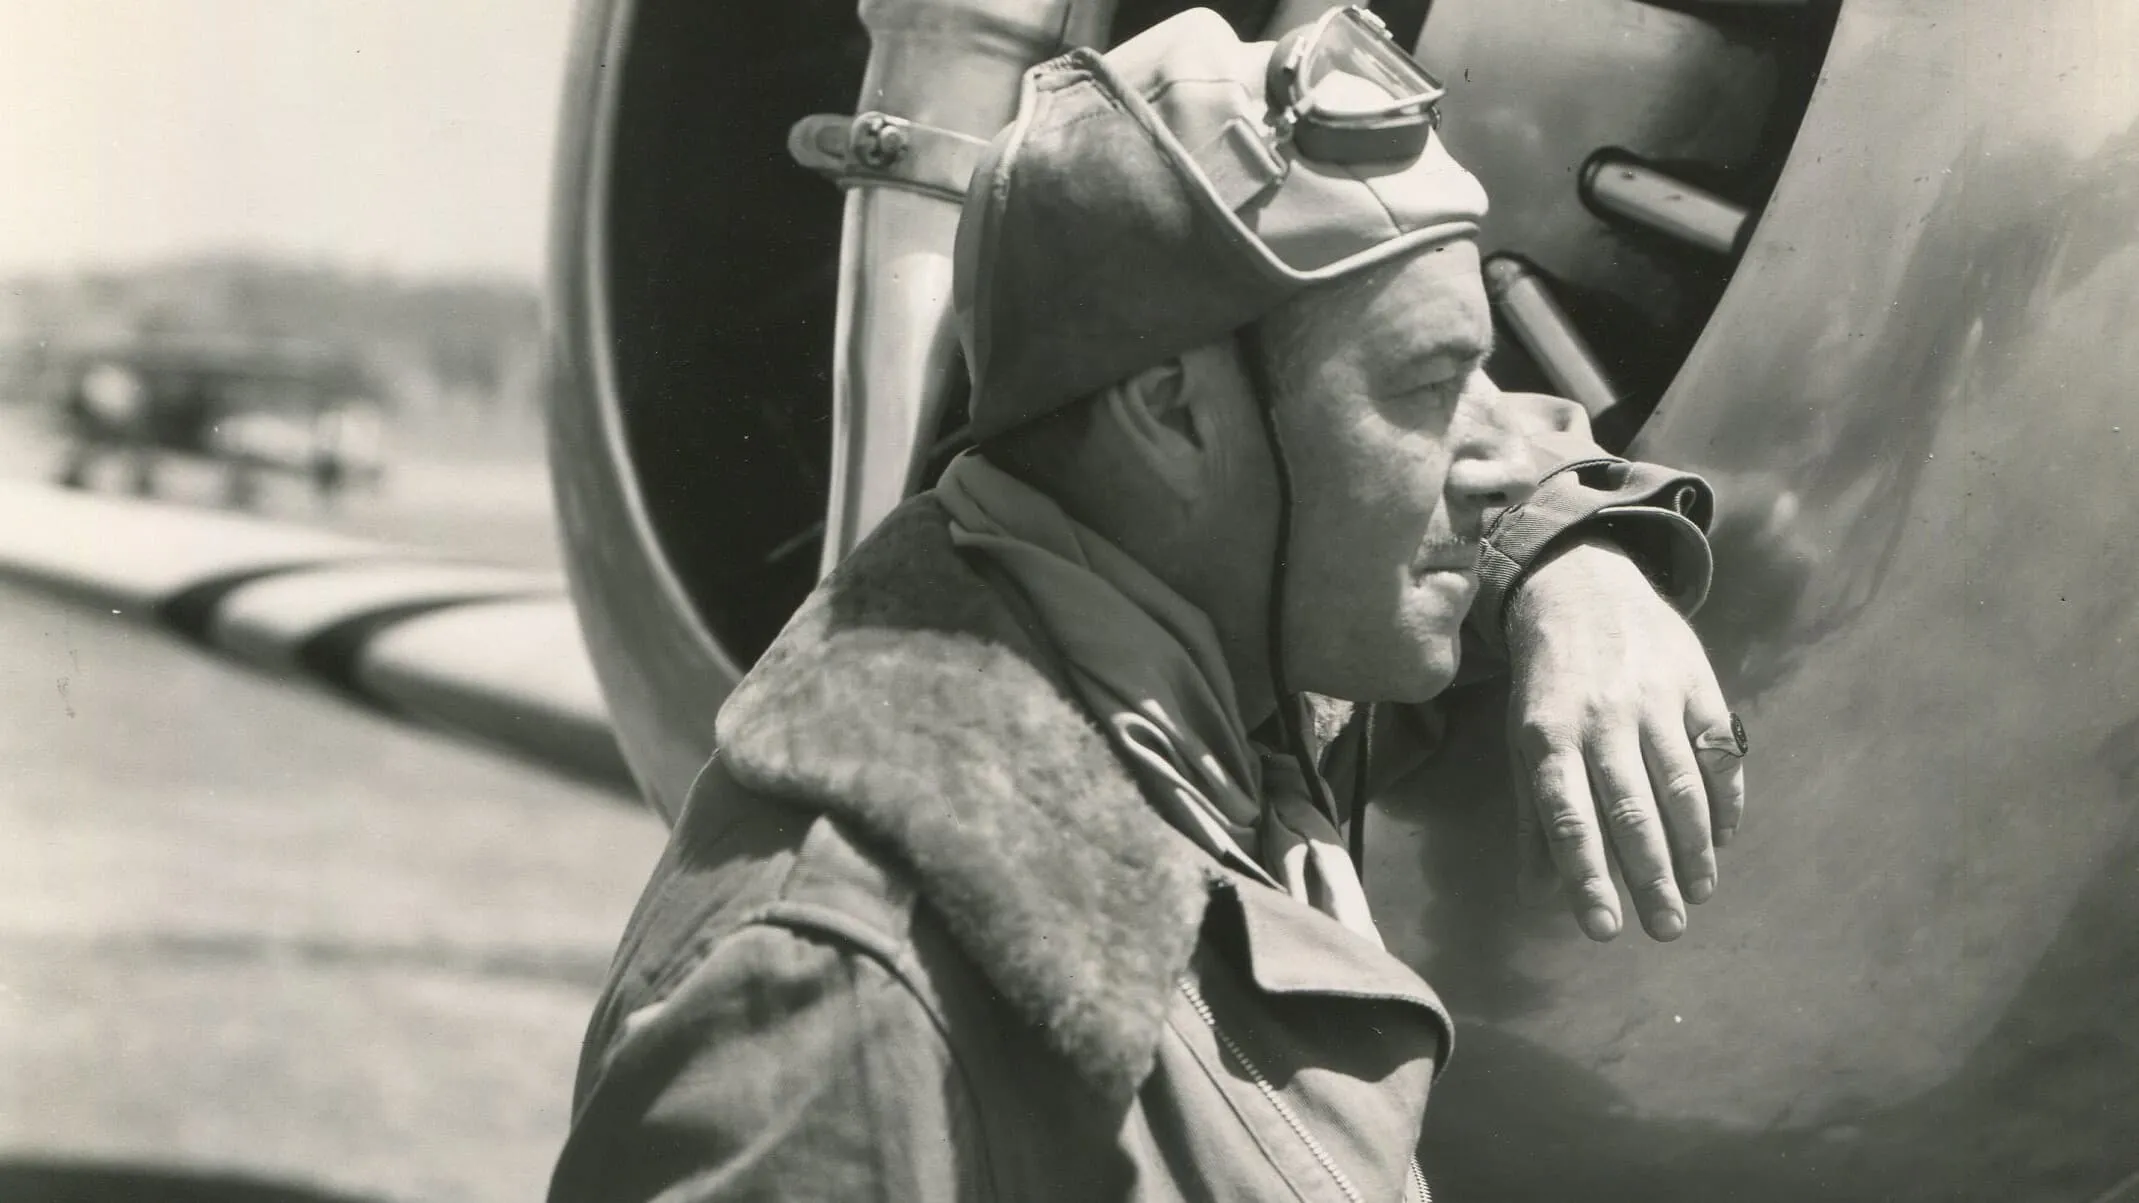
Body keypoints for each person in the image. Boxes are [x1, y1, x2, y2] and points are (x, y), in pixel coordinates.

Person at [549, 8, 1747, 1200]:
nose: (1486, 457)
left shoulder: (1210, 667)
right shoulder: (838, 992)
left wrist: (1574, 565)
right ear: (1174, 414)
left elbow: (1464, 465)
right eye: (1429, 386)